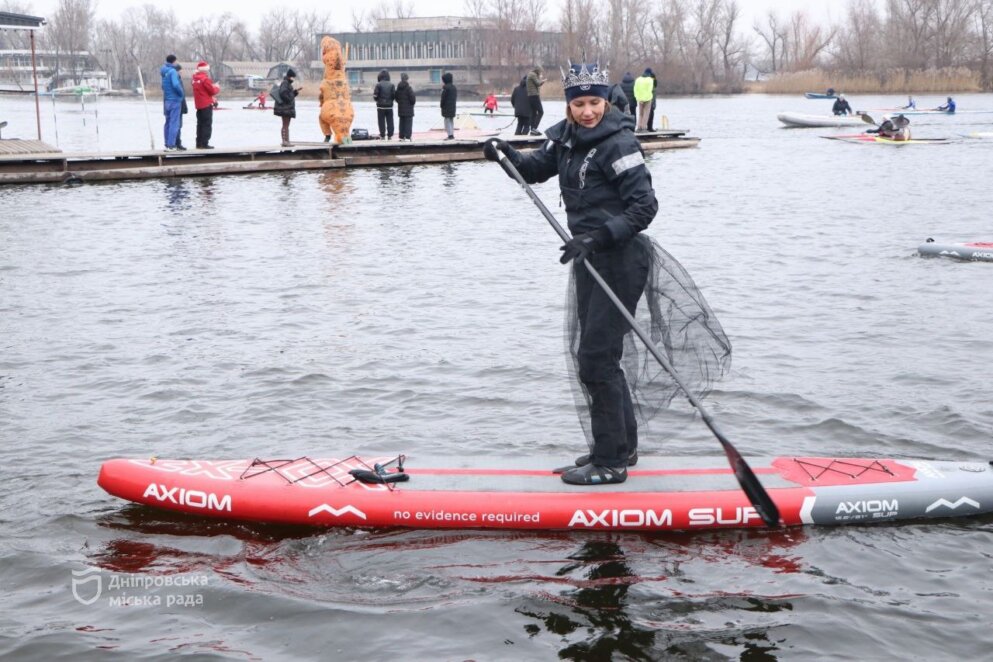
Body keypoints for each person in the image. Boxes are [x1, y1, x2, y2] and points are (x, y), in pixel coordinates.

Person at [482, 62, 658, 486]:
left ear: (605, 101)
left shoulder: (619, 144)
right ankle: (620, 448)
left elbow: (644, 207)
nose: (587, 112)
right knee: (601, 357)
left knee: (596, 359)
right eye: (579, 104)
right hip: (588, 258)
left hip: (620, 258)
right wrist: (505, 154)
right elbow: (535, 169)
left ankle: (611, 462)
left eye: (594, 102)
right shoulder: (566, 140)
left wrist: (597, 238)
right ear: (569, 104)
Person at [192, 60, 220, 149]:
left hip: (198, 105)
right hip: (206, 104)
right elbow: (212, 91)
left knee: (199, 124)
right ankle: (205, 143)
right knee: (207, 124)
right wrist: (217, 87)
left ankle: (199, 143)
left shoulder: (194, 79)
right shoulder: (205, 79)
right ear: (205, 70)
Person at [160, 54, 183, 151]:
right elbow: (176, 84)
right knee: (174, 123)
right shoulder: (173, 71)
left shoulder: (164, 71)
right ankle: (171, 145)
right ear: (174, 61)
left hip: (167, 100)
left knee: (168, 122)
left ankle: (167, 143)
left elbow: (162, 86)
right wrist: (181, 93)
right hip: (175, 100)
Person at [273, 68, 300, 147]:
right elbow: (283, 94)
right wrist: (291, 96)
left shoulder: (287, 83)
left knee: (286, 125)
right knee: (285, 125)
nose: (293, 79)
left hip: (286, 108)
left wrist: (294, 93)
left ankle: (286, 141)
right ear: (289, 76)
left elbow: (289, 95)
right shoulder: (285, 83)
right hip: (285, 108)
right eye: (292, 77)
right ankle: (285, 141)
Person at [373, 69, 396, 140]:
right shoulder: (392, 85)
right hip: (389, 106)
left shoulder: (378, 85)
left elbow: (375, 96)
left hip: (380, 106)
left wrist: (378, 101)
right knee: (390, 121)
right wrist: (390, 101)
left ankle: (382, 135)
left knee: (381, 121)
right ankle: (390, 135)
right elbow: (393, 95)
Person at [395, 72, 416, 142]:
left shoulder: (398, 88)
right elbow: (413, 99)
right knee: (408, 124)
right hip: (409, 109)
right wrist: (411, 104)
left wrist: (400, 103)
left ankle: (401, 137)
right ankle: (407, 137)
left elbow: (396, 98)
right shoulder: (408, 88)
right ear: (407, 79)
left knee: (402, 123)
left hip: (401, 109)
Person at [526, 65, 545, 135]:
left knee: (534, 113)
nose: (540, 72)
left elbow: (536, 85)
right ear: (538, 70)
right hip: (534, 96)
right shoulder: (533, 75)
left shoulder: (531, 74)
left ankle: (532, 130)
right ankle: (534, 128)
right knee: (541, 112)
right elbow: (538, 83)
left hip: (530, 96)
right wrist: (543, 81)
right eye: (540, 71)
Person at [173, 63, 189, 151]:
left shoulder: (177, 79)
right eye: (180, 70)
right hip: (178, 105)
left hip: (178, 105)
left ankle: (176, 143)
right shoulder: (176, 80)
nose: (182, 72)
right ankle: (177, 143)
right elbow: (181, 95)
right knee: (177, 125)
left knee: (177, 125)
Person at [440, 71, 457, 140]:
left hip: (446, 107)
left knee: (447, 120)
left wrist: (441, 105)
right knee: (451, 120)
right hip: (453, 106)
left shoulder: (445, 88)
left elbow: (443, 98)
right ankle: (451, 134)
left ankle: (450, 135)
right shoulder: (454, 88)